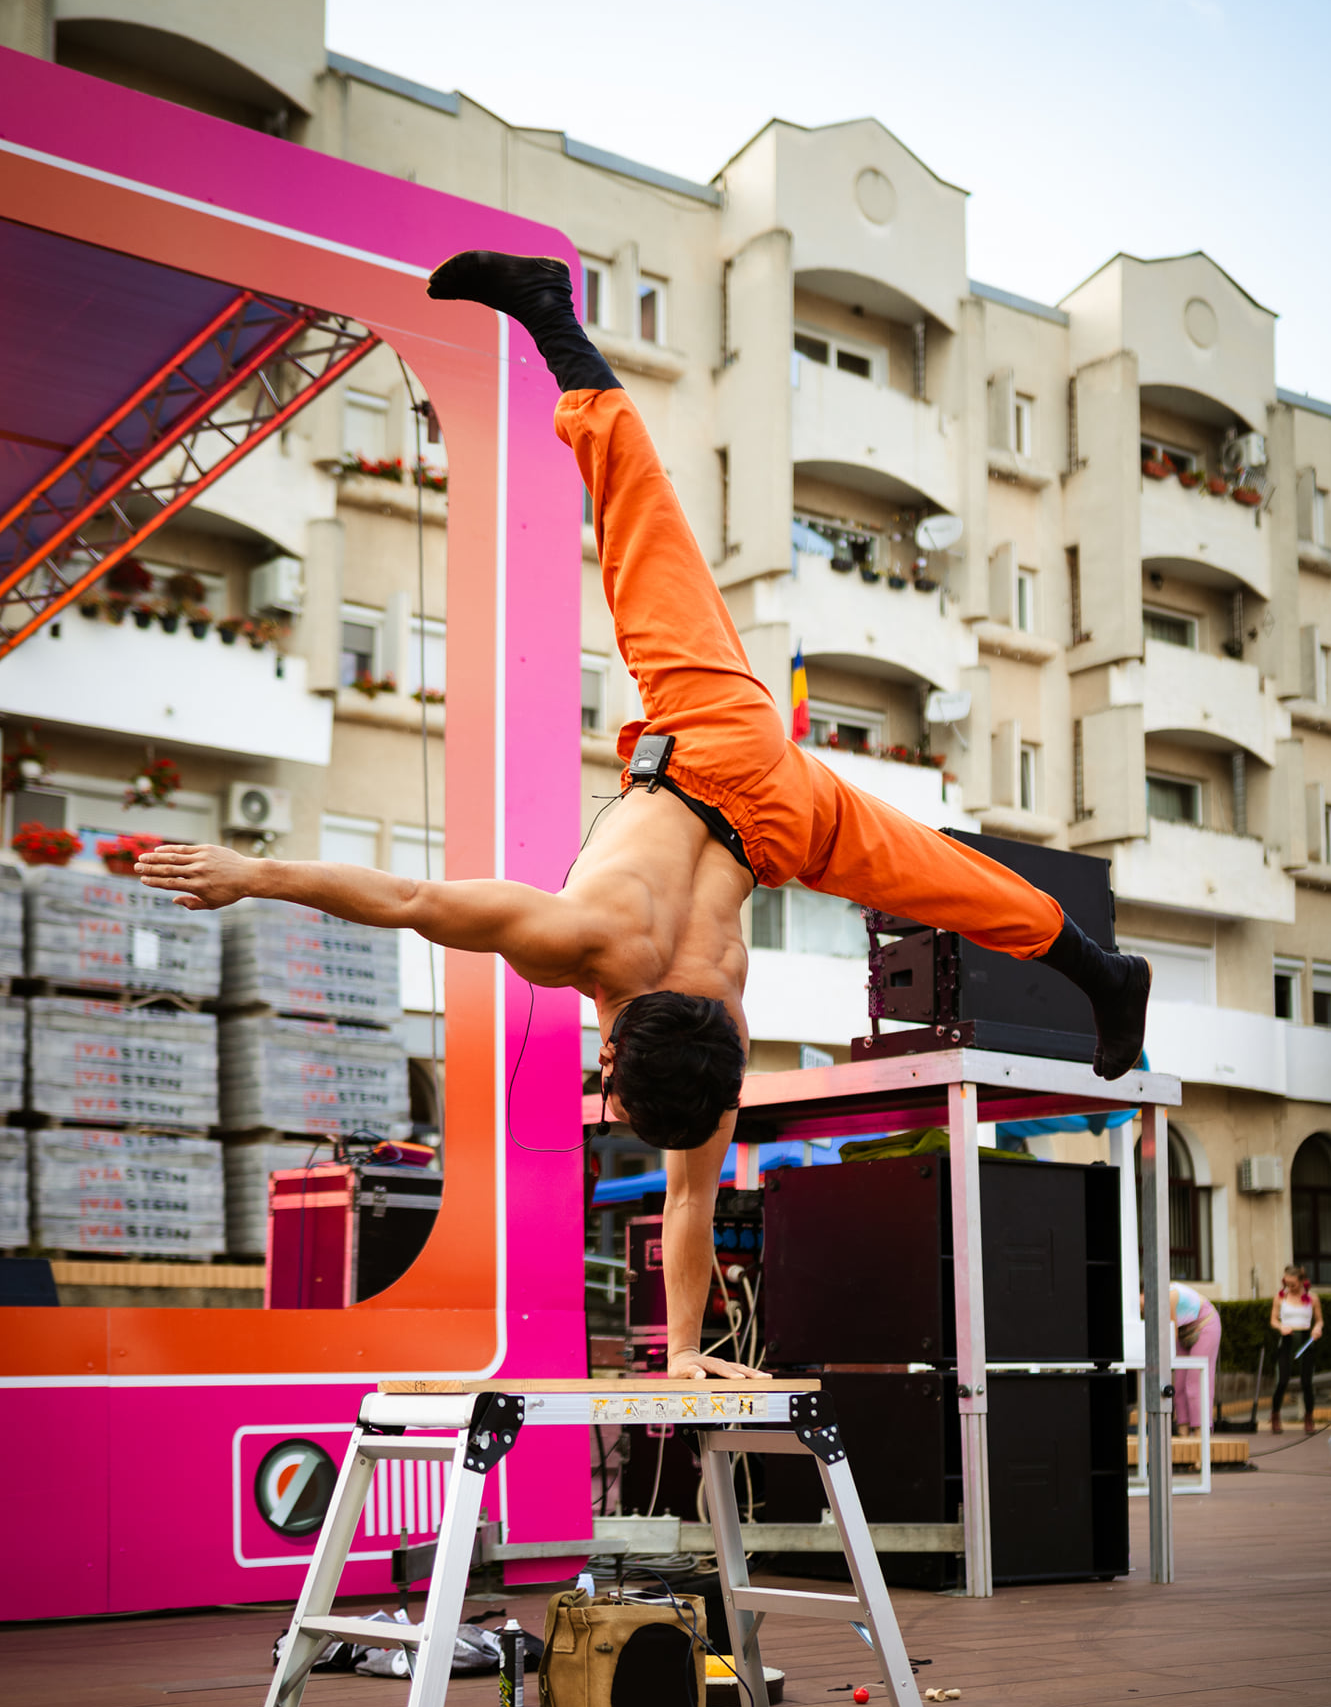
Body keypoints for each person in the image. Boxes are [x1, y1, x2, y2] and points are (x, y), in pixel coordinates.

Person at [137, 251, 1150, 1384]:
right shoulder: (583, 947)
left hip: (778, 824)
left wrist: (683, 1354)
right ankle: (549, 313)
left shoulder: (723, 1037)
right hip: (712, 744)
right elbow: (411, 898)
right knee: (639, 519)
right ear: (614, 1048)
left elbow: (687, 1198)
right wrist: (253, 873)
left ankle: (1103, 975)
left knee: (939, 880)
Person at [1269, 1264, 1322, 1435]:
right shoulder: (1280, 1298)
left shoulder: (1313, 1298)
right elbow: (1273, 1320)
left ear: (1301, 1281)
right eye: (1286, 1283)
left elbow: (1319, 1320)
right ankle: (1275, 1416)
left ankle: (1309, 1418)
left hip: (1305, 1340)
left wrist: (1317, 1328)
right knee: (1282, 1380)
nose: (1289, 1287)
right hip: (1287, 1340)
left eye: (1293, 1284)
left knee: (1306, 1382)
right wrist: (1281, 1327)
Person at [1169, 1282, 1221, 1437]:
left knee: (1195, 1382)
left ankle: (1200, 1437)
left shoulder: (1169, 1295)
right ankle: (1183, 1435)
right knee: (1179, 1385)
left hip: (1205, 1325)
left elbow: (1171, 1332)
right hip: (1184, 1330)